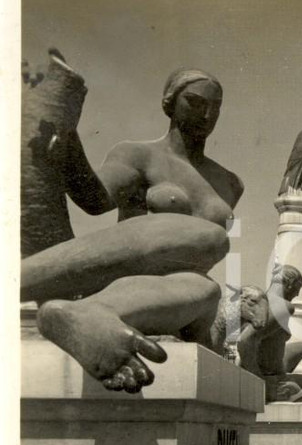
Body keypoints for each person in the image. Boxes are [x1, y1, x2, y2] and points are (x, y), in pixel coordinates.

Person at [23, 65, 240, 392]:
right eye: (195, 102)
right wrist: (67, 142)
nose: (207, 115)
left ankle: (89, 313)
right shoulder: (139, 155)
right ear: (169, 103)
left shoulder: (230, 183)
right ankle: (21, 281)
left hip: (179, 301)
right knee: (210, 237)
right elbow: (95, 200)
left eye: (215, 107)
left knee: (208, 288)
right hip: (126, 277)